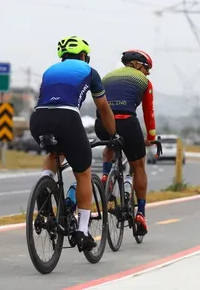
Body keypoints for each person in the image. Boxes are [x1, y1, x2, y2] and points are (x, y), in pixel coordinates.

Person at [29, 36, 122, 252]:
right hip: (67, 119)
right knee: (83, 173)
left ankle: (45, 183)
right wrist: (113, 134)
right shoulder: (89, 71)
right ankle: (82, 231)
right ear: (83, 56)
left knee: (56, 152)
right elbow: (104, 108)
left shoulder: (50, 70)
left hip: (39, 119)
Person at [94, 49, 156, 236]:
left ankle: (106, 177)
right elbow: (148, 113)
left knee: (110, 146)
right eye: (146, 67)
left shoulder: (107, 77)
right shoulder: (144, 82)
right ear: (137, 64)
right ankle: (141, 214)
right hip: (128, 122)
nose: (147, 72)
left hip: (103, 123)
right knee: (139, 166)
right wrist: (151, 138)